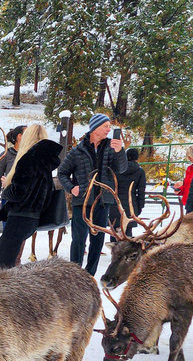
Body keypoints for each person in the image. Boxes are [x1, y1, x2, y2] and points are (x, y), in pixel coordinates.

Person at [57, 113, 126, 276]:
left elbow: (121, 169)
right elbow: (62, 173)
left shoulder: (112, 147)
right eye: (106, 126)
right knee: (79, 240)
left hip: (103, 202)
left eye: (109, 126)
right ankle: (74, 275)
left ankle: (90, 275)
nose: (109, 129)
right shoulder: (77, 151)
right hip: (81, 202)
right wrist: (72, 188)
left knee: (98, 240)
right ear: (95, 128)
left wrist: (120, 152)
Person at [0, 124, 62, 269]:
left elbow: (18, 193)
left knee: (6, 268)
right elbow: (28, 197)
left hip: (20, 220)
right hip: (29, 220)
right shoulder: (44, 162)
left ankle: (17, 291)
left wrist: (5, 190)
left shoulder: (29, 159)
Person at [0, 125, 26, 236]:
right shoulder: (6, 155)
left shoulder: (30, 154)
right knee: (8, 233)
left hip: (25, 199)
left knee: (21, 234)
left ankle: (17, 254)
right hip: (8, 199)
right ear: (19, 136)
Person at [110, 148, 146, 240]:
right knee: (128, 231)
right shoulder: (140, 172)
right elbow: (141, 192)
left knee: (114, 231)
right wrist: (139, 207)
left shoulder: (116, 169)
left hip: (115, 204)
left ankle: (114, 252)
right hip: (131, 206)